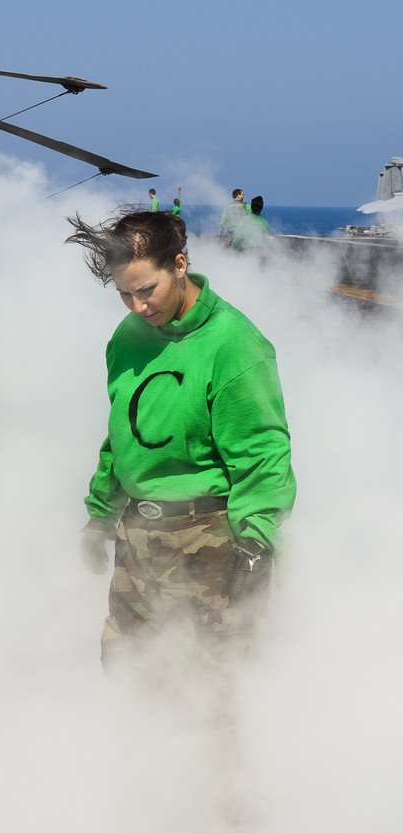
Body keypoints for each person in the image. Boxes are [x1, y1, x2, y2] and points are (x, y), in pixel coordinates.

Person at [66, 210, 295, 688]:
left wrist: (258, 543)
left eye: (146, 290)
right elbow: (121, 436)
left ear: (179, 265)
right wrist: (100, 516)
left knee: (211, 681)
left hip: (210, 540)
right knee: (128, 665)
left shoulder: (234, 343)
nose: (137, 307)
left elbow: (263, 453)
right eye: (124, 294)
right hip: (138, 534)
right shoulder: (127, 337)